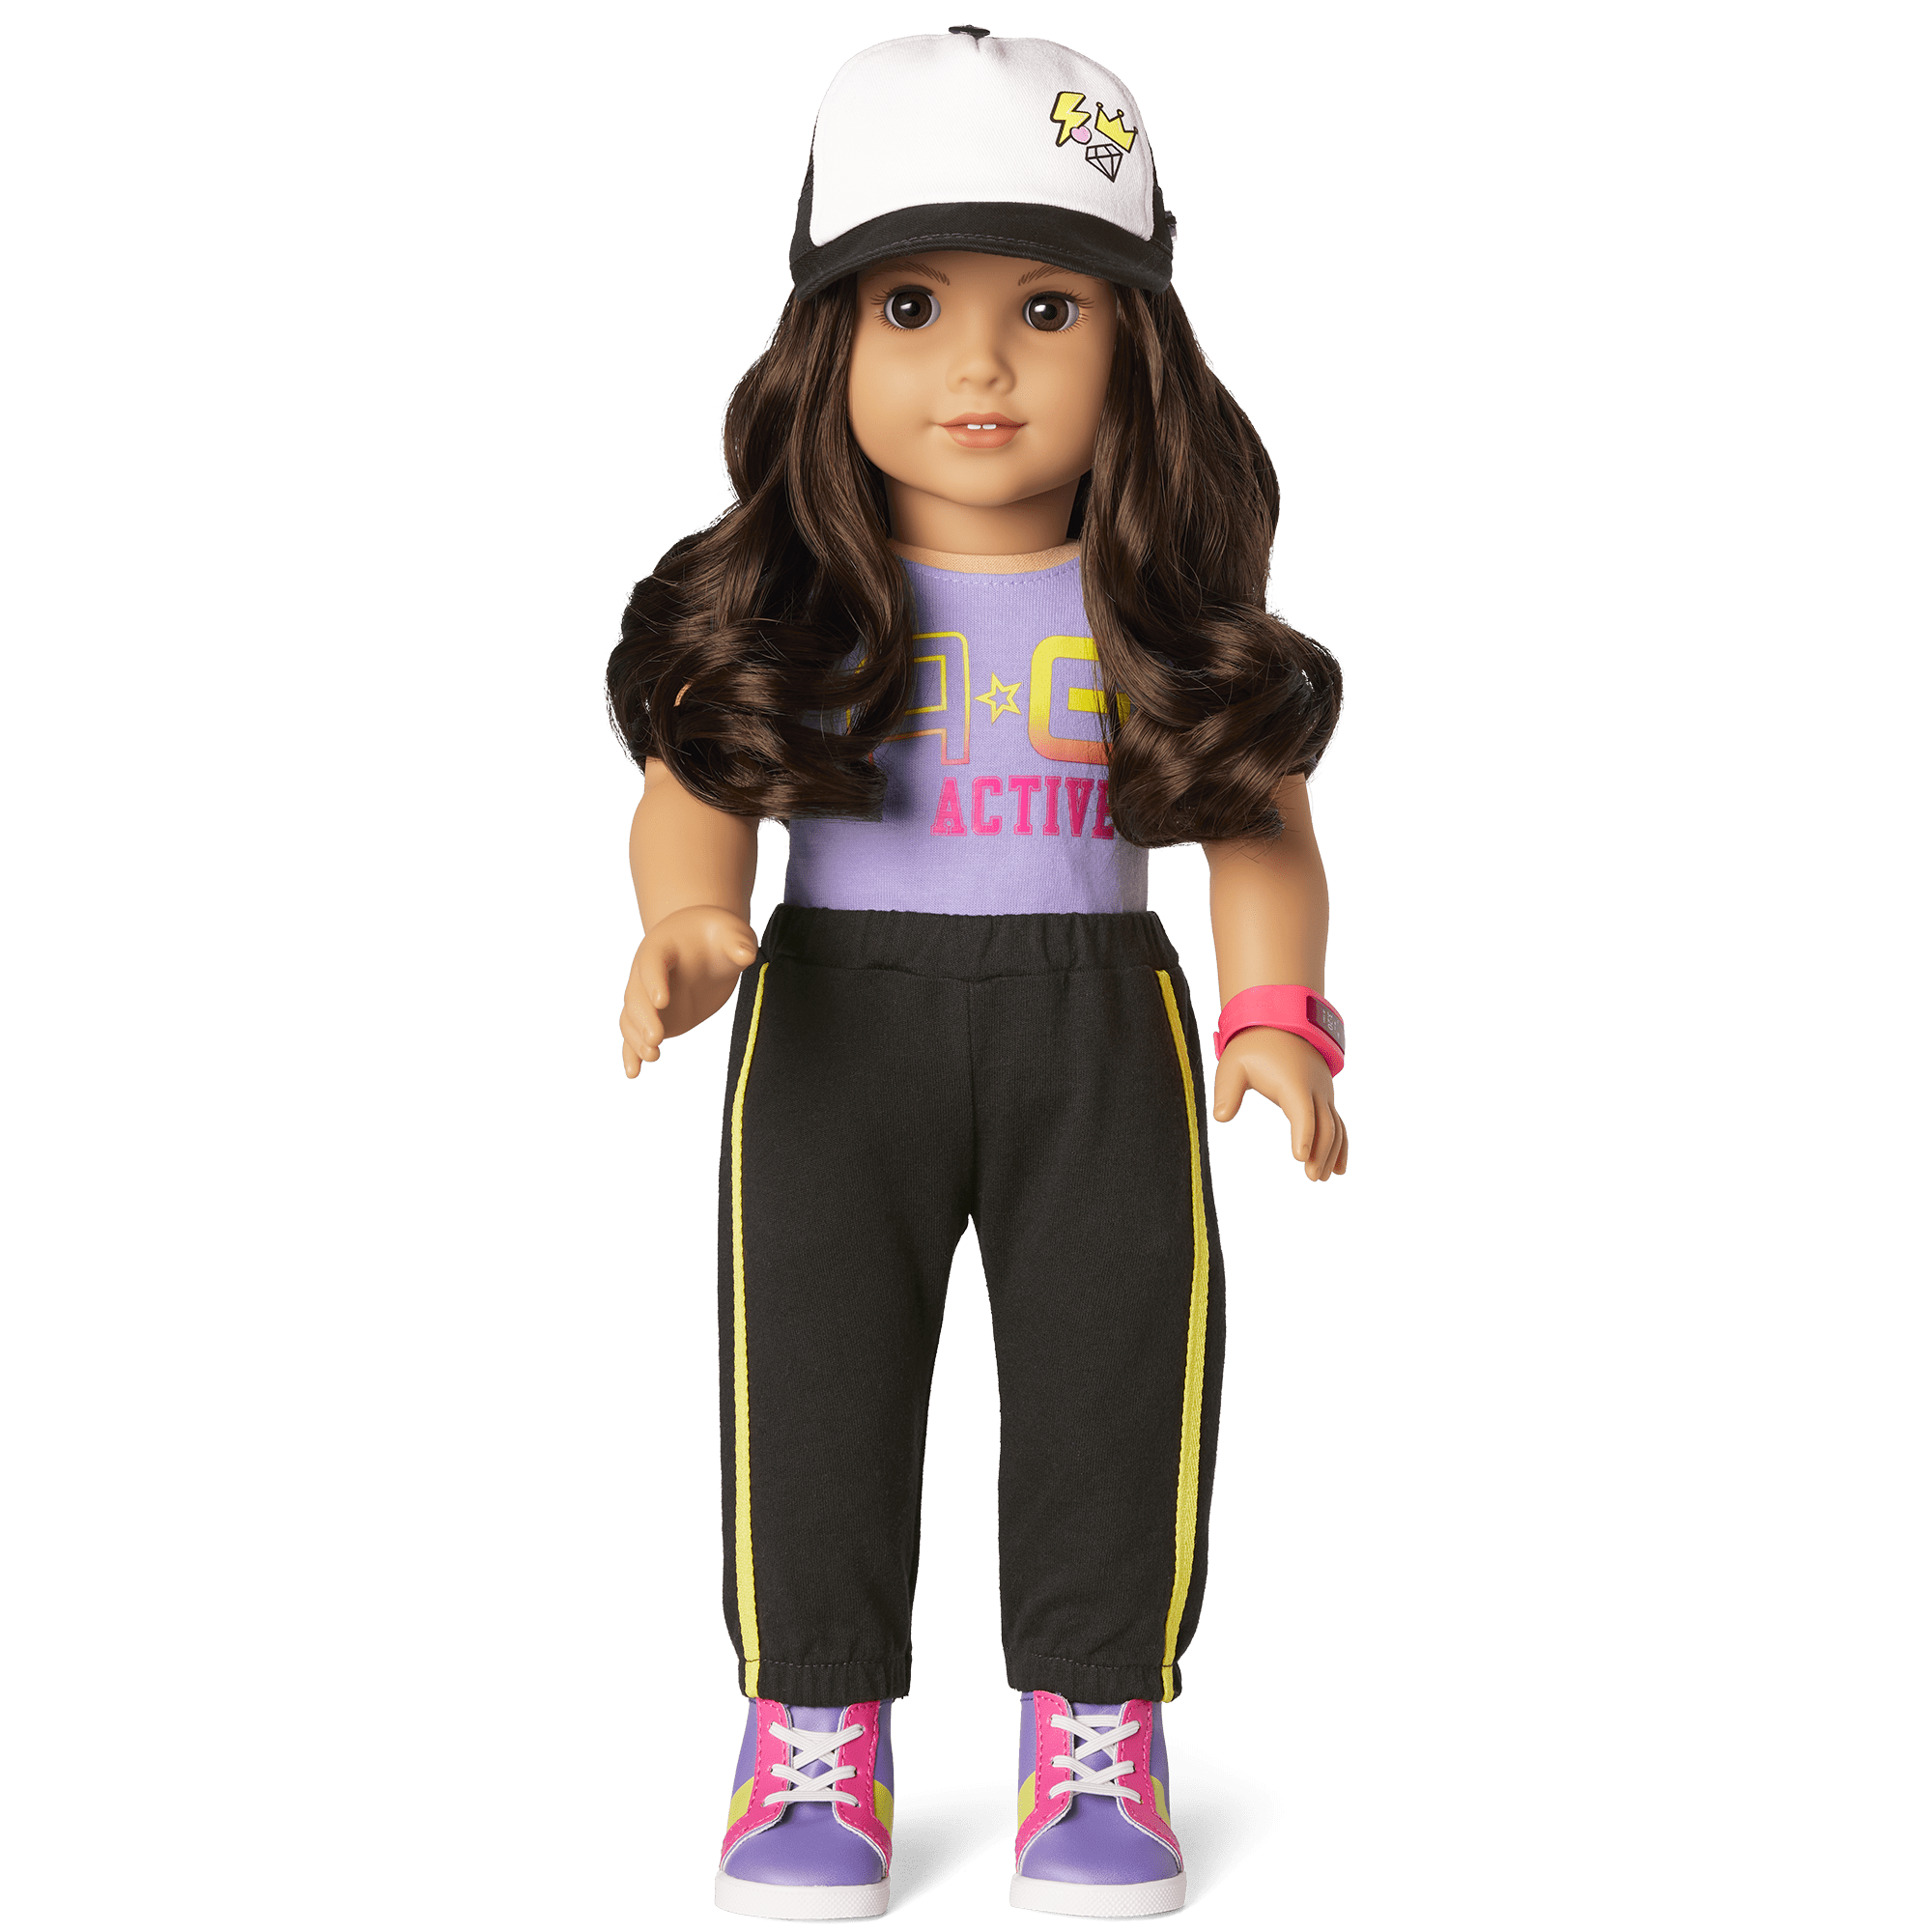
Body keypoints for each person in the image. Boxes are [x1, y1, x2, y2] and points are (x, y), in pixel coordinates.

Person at [605, 28, 1348, 1921]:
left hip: (1099, 1017)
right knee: (814, 1375)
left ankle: (1096, 1736)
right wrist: (686, 920)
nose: (983, 367)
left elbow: (1258, 824)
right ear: (825, 343)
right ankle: (810, 1738)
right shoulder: (799, 602)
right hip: (832, 1015)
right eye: (914, 306)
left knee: (1116, 1371)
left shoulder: (1150, 610)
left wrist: (1273, 1012)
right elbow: (693, 785)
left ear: (1140, 348)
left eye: (1050, 309)